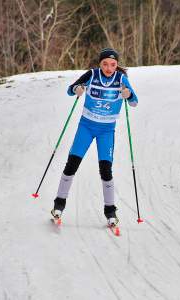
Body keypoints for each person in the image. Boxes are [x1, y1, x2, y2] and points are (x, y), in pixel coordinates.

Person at [51, 48, 138, 226]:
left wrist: (128, 95)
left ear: (116, 65)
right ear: (100, 63)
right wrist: (78, 89)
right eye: (105, 64)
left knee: (106, 169)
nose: (108, 67)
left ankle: (110, 211)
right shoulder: (92, 74)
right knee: (72, 164)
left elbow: (134, 102)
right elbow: (70, 90)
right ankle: (59, 205)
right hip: (87, 127)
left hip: (106, 130)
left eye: (113, 64)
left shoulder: (121, 79)